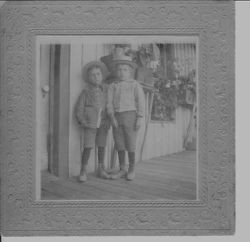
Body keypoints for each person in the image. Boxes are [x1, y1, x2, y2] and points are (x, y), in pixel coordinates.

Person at [107, 53, 145, 181]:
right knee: (119, 142)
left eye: (125, 70)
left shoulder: (134, 84)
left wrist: (139, 117)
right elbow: (109, 103)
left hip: (131, 116)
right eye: (119, 69)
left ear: (130, 72)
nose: (122, 72)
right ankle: (122, 169)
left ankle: (132, 168)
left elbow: (140, 101)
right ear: (116, 71)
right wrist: (112, 117)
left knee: (130, 142)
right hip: (117, 117)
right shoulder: (113, 86)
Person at [75, 61, 111, 182]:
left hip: (103, 124)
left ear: (102, 76)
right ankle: (83, 170)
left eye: (98, 74)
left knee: (101, 145)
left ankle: (101, 168)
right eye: (93, 75)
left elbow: (109, 106)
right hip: (90, 124)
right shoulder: (86, 92)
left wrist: (108, 120)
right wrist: (82, 120)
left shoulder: (105, 91)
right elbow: (79, 108)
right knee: (88, 146)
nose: (96, 77)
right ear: (88, 78)